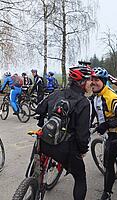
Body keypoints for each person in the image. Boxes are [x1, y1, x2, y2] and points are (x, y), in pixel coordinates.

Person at [36, 64, 93, 200]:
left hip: (45, 141)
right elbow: (82, 135)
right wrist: (82, 150)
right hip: (66, 150)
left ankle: (32, 183)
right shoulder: (84, 103)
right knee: (80, 178)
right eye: (90, 79)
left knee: (38, 164)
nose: (92, 83)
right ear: (82, 82)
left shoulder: (57, 93)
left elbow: (39, 110)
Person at [90, 67, 117, 200]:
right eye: (92, 79)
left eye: (97, 80)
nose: (93, 82)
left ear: (104, 81)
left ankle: (107, 193)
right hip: (111, 132)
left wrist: (106, 125)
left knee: (108, 163)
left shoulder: (111, 97)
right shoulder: (97, 96)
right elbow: (97, 111)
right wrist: (93, 124)